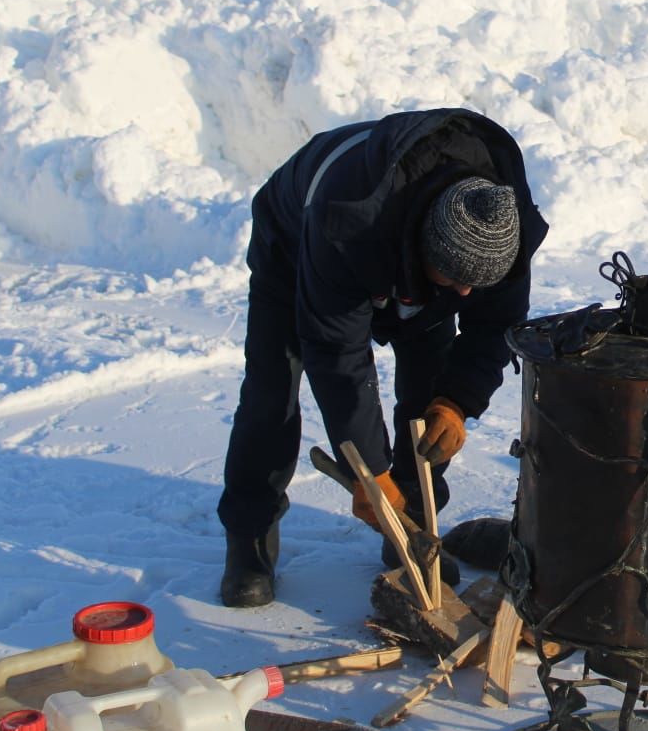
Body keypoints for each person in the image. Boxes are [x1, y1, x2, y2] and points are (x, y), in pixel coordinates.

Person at [217, 108, 548, 608]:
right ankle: (249, 537)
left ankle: (412, 531)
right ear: (423, 247)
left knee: (427, 392)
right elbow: (338, 357)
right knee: (271, 390)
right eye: (454, 278)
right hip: (295, 244)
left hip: (404, 248)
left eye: (474, 284)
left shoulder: (502, 230)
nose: (464, 292)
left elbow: (492, 327)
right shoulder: (346, 222)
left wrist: (456, 402)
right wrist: (369, 473)